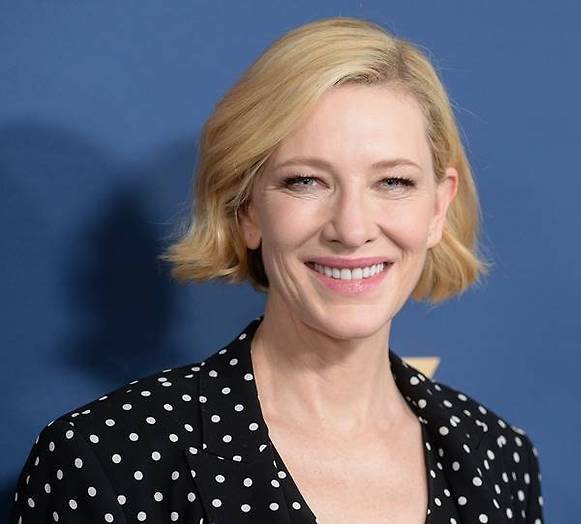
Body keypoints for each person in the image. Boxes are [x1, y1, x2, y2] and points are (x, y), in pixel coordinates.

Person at [10, 16, 544, 524]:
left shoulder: (498, 459)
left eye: (393, 182)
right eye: (306, 181)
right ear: (246, 210)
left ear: (438, 208)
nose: (352, 228)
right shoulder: (105, 462)